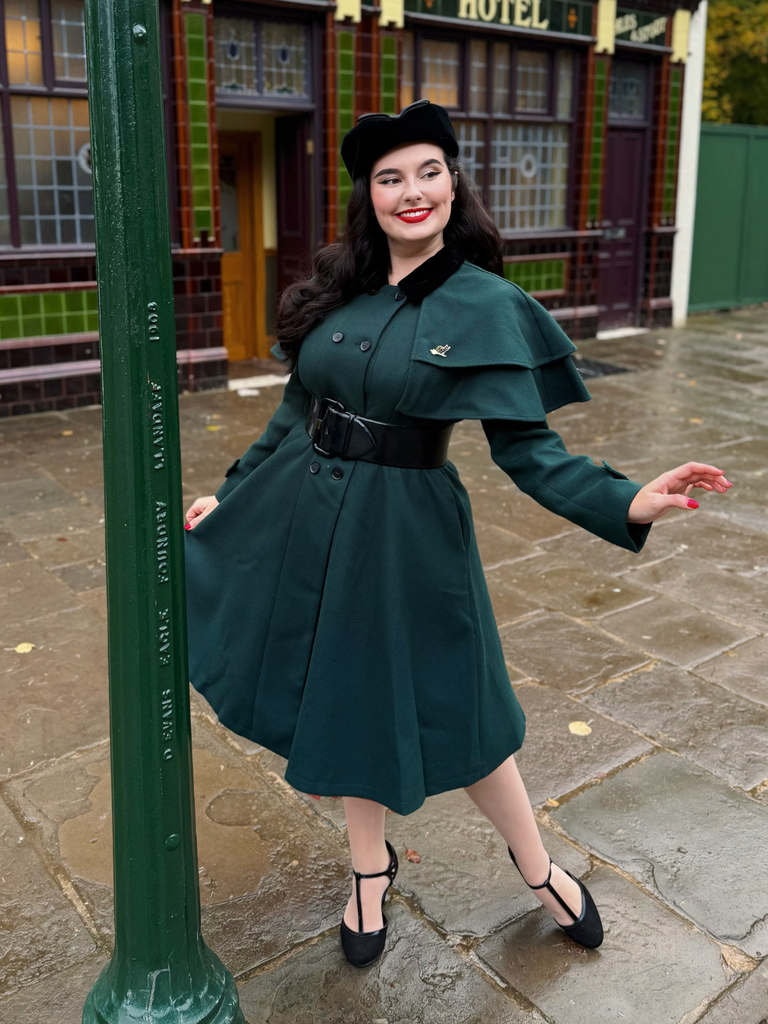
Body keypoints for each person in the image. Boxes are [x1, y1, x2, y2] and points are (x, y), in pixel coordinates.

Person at [183, 100, 733, 968]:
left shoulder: (487, 305)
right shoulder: (342, 288)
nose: (411, 192)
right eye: (390, 178)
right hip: (303, 511)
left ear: (452, 183)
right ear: (370, 195)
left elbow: (532, 455)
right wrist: (230, 496)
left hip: (405, 533)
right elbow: (295, 413)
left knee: (467, 710)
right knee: (341, 702)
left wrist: (628, 500)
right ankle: (370, 870)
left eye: (427, 172)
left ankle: (538, 865)